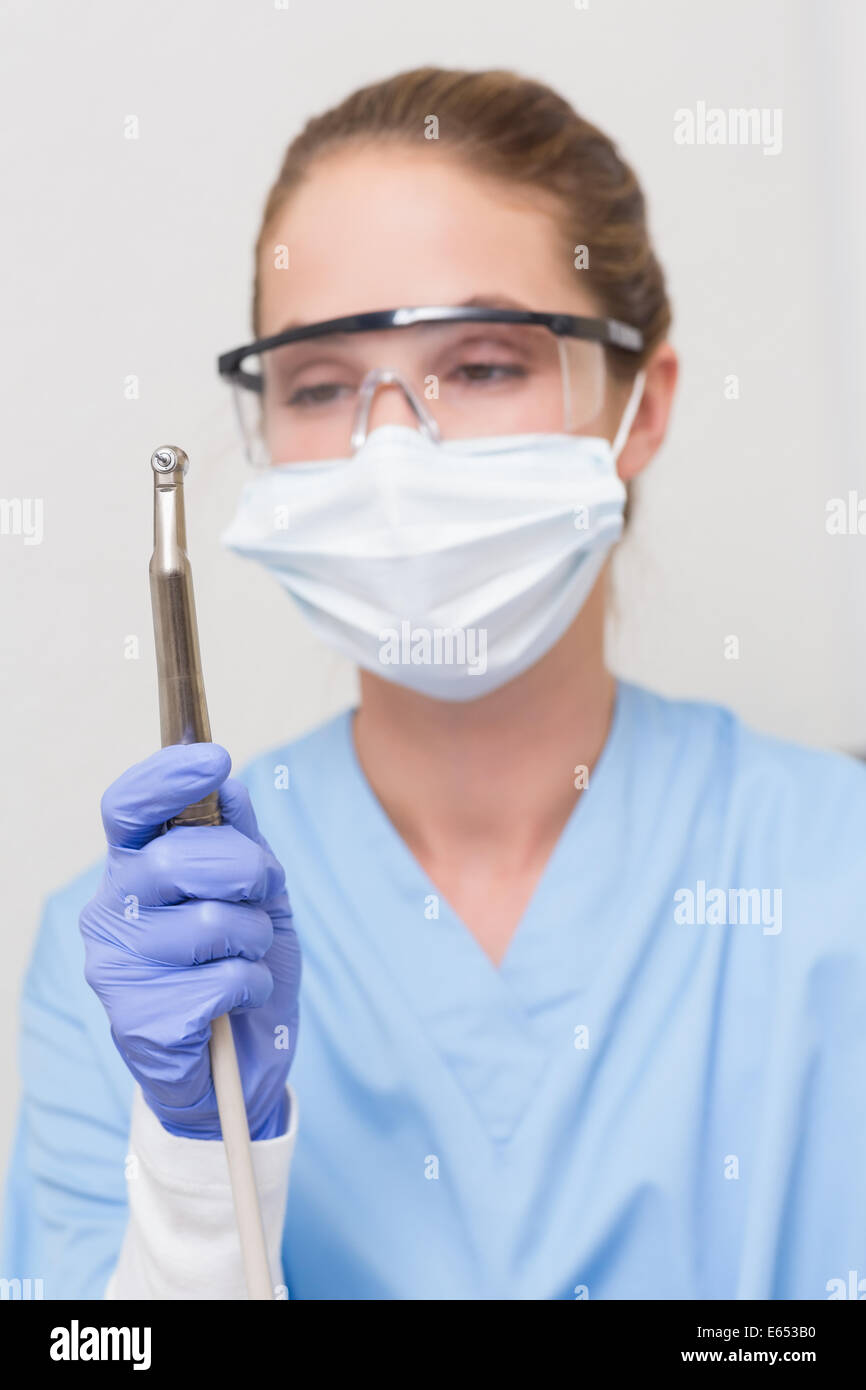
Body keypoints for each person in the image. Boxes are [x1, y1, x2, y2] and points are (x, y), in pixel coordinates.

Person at [3, 65, 865, 1302]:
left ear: (641, 403)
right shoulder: (145, 957)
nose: (391, 447)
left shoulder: (830, 884)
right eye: (319, 383)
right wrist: (196, 1195)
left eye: (481, 365)